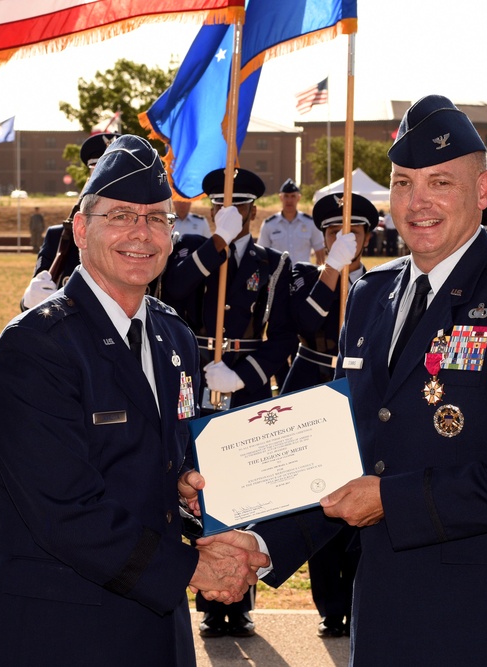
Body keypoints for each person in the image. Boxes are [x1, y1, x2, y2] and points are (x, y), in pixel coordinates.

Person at [234, 94, 487, 666]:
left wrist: (390, 501)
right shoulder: (371, 294)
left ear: (484, 189)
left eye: (440, 183)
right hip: (383, 608)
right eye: (402, 183)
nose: (417, 202)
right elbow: (346, 454)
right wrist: (261, 544)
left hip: (485, 615)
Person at [0, 134, 268, 665]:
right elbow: (64, 511)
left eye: (157, 218)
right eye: (121, 216)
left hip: (157, 630)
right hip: (62, 631)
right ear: (81, 230)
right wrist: (193, 569)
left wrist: (185, 487)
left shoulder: (172, 335)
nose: (141, 233)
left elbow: (158, 455)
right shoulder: (35, 348)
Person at [161, 167, 297, 639]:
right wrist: (215, 243)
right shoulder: (189, 252)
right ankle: (207, 599)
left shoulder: (272, 262)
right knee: (199, 492)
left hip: (244, 386)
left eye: (238, 206)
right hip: (196, 381)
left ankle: (239, 602)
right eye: (220, 206)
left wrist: (243, 375)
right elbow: (174, 289)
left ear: (254, 211)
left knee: (244, 493)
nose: (230, 214)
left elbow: (282, 337)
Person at [282, 192, 379, 638]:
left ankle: (359, 602)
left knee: (358, 504)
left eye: (354, 232)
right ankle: (329, 606)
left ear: (367, 236)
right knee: (318, 503)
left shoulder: (381, 285)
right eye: (335, 232)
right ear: (321, 236)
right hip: (313, 387)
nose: (345, 238)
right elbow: (305, 323)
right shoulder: (303, 276)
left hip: (359, 397)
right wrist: (332, 270)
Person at [21, 133, 119, 310]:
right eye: (98, 172)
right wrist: (29, 301)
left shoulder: (143, 237)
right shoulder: (58, 237)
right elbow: (37, 299)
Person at [257, 178, 325, 265]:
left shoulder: (310, 223)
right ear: (281, 198)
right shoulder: (269, 224)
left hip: (303, 276)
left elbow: (320, 253)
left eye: (293, 196)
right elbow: (262, 254)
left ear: (298, 198)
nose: (289, 200)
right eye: (286, 196)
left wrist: (317, 276)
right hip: (278, 277)